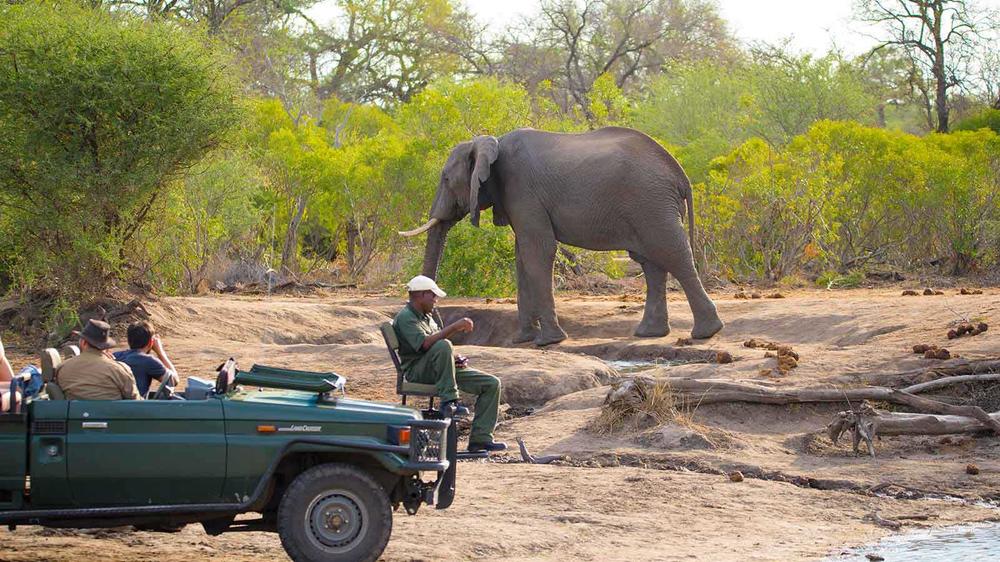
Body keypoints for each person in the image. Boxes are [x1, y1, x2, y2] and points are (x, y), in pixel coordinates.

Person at [393, 275, 506, 453]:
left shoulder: (427, 317)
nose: (436, 300)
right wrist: (454, 327)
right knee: (444, 344)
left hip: (438, 369)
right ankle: (449, 401)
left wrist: (454, 359)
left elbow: (436, 348)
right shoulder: (406, 317)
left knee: (492, 384)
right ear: (421, 295)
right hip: (418, 371)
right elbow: (425, 344)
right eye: (433, 296)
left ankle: (481, 439)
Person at [57, 319, 140, 400]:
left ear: (83, 343)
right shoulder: (119, 369)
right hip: (111, 413)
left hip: (74, 413)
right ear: (106, 347)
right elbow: (136, 402)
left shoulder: (62, 368)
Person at [114, 321, 179, 397]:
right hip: (138, 406)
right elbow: (174, 380)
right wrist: (161, 353)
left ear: (129, 340)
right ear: (151, 342)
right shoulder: (148, 361)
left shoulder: (115, 356)